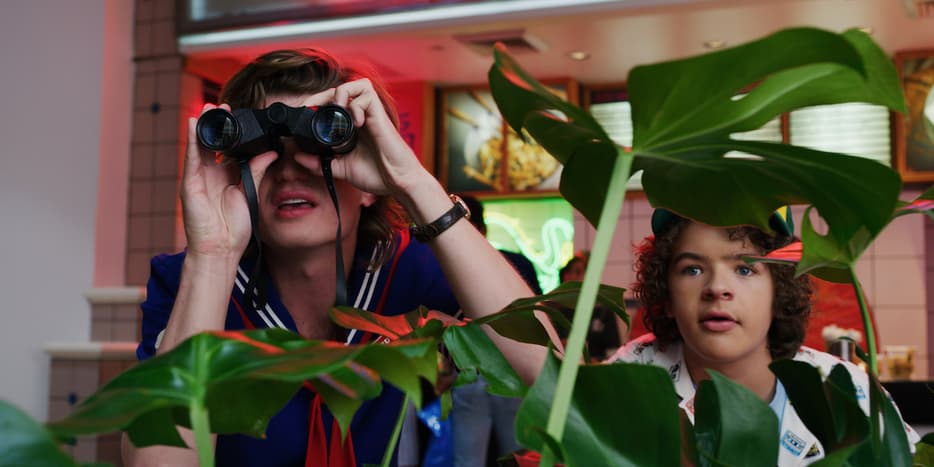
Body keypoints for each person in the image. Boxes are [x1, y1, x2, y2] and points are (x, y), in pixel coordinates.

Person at [122, 48, 544, 467]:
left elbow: (553, 385)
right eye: (264, 151)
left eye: (321, 144)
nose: (289, 171)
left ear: (368, 186)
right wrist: (213, 256)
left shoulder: (409, 267)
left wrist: (414, 183)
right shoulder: (189, 278)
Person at [607, 207, 920, 465]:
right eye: (693, 269)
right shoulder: (624, 384)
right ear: (667, 295)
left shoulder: (851, 393)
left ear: (779, 290)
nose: (717, 288)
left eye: (745, 269)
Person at [450, 195, 542, 467]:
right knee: (519, 455)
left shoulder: (448, 267)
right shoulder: (516, 264)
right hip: (511, 370)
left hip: (469, 370)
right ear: (484, 228)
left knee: (468, 458)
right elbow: (538, 319)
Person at [557, 252, 622, 361]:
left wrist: (595, 361)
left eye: (579, 272)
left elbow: (613, 351)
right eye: (569, 272)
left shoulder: (604, 311)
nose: (572, 277)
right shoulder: (557, 312)